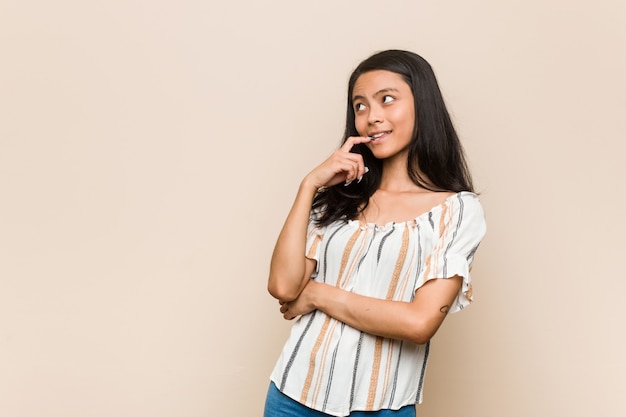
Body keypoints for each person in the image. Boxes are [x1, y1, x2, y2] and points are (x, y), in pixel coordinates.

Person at [264, 50, 487, 417]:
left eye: (387, 99)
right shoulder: (337, 199)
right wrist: (309, 186)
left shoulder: (456, 210)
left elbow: (419, 323)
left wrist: (318, 294)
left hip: (383, 407)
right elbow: (284, 288)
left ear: (423, 105)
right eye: (360, 106)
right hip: (293, 397)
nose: (372, 117)